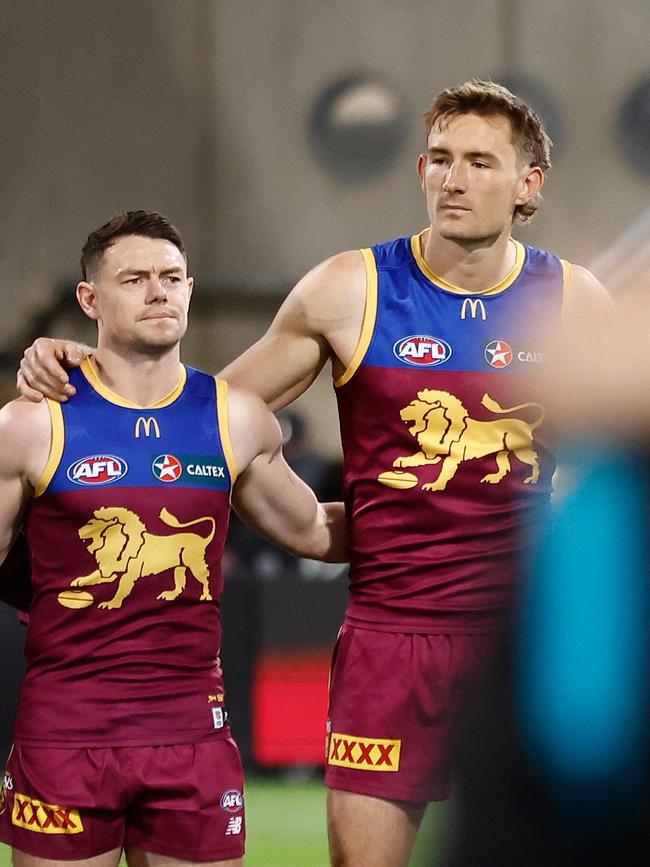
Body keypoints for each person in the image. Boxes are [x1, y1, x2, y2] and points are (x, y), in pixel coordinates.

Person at [16, 80, 611, 867]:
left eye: (478, 161)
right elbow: (203, 420)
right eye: (438, 158)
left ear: (528, 183)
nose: (452, 179)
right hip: (389, 639)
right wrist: (89, 366)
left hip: (521, 637)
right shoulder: (351, 290)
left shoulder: (574, 302)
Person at [0, 210, 347, 867]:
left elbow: (313, 528)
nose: (160, 291)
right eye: (135, 278)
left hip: (191, 733)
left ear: (191, 289)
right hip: (66, 733)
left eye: (172, 277)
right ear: (90, 299)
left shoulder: (235, 417)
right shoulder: (29, 424)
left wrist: (449, 512)